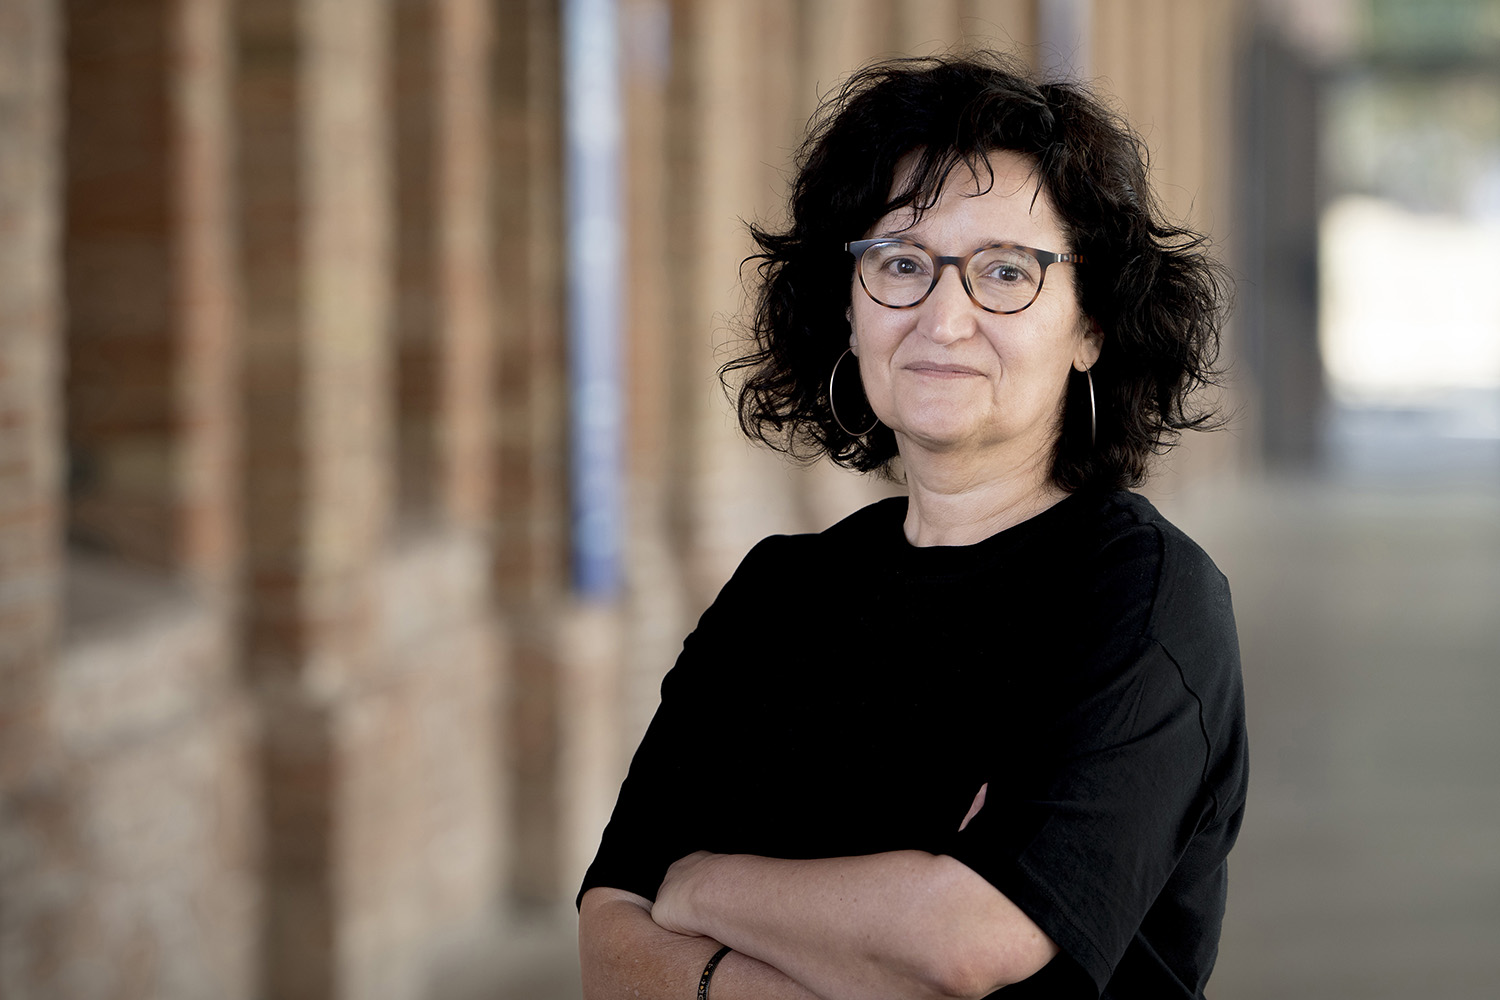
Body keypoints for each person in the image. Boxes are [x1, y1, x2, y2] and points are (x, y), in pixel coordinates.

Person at [577, 52, 1246, 1000]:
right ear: (849, 311)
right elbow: (609, 940)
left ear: (1091, 326)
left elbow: (964, 945)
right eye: (900, 264)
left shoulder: (1143, 599)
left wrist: (700, 887)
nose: (944, 318)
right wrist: (881, 925)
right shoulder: (778, 593)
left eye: (1005, 272)